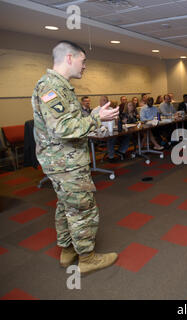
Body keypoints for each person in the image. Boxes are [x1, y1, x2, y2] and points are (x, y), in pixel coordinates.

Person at [31, 40, 119, 275]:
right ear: (69, 58)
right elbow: (63, 128)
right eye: (83, 60)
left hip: (62, 162)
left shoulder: (58, 86)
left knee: (66, 207)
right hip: (66, 164)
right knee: (82, 208)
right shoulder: (51, 87)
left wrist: (94, 115)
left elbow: (69, 123)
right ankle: (87, 258)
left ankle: (68, 250)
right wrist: (97, 118)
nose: (85, 66)